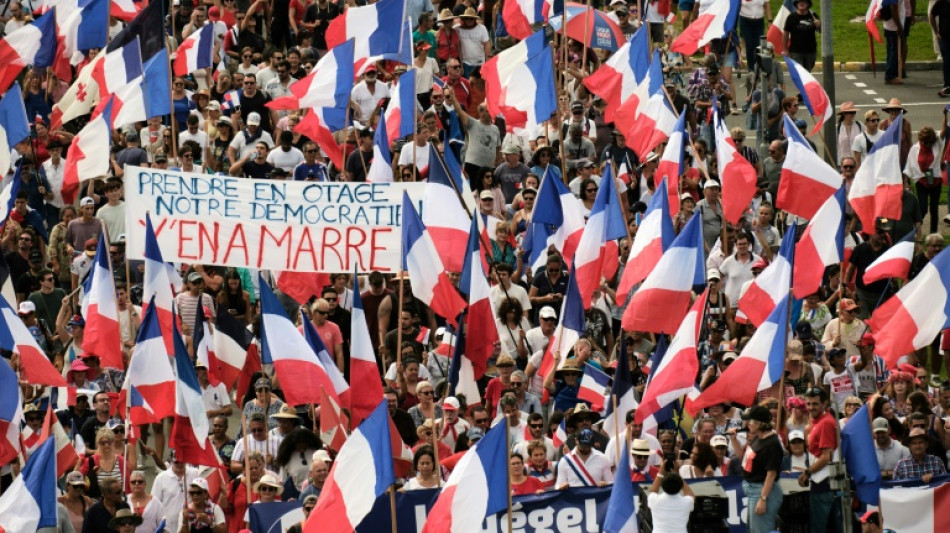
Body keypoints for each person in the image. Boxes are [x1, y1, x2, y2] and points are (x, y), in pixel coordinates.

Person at [799, 387, 841, 533]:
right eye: (808, 403)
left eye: (815, 404)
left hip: (824, 483)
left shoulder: (826, 423)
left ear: (825, 403)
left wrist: (807, 472)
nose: (811, 407)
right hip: (821, 482)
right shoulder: (816, 423)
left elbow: (826, 456)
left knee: (819, 528)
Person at [740, 405, 784, 533]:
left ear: (759, 423)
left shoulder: (772, 444)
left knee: (760, 530)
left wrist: (763, 498)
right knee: (753, 529)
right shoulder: (758, 438)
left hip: (763, 491)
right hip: (753, 489)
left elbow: (771, 474)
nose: (748, 424)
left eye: (751, 421)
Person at [646, 465, 694, 533]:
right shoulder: (687, 502)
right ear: (680, 487)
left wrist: (660, 472)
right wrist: (678, 476)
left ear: (662, 486)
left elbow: (653, 492)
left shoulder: (654, 500)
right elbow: (690, 495)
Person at [873, 417, 909, 481]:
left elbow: (908, 471)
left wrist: (885, 473)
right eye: (878, 432)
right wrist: (892, 472)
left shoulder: (902, 448)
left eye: (883, 432)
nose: (880, 435)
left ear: (889, 430)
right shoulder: (869, 449)